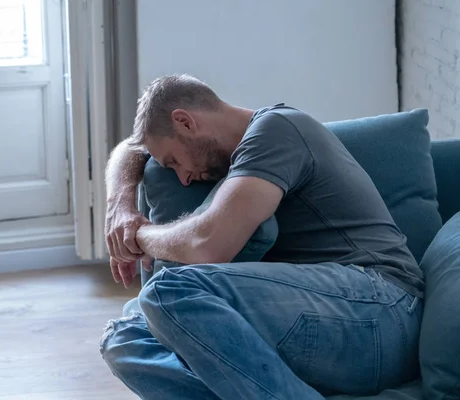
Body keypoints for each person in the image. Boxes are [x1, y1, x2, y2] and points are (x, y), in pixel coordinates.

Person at [100, 74, 424, 400]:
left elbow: (207, 246)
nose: (183, 179)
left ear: (184, 122)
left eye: (174, 162)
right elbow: (133, 147)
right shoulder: (242, 151)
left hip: (381, 307)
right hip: (316, 316)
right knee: (125, 337)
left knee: (167, 292)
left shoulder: (277, 130)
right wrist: (119, 206)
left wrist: (139, 236)